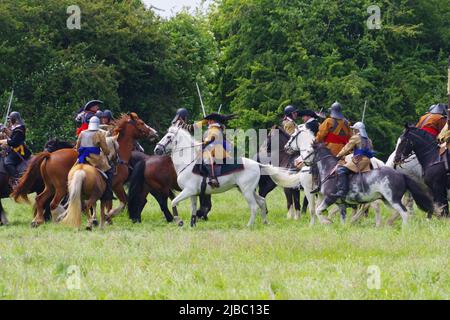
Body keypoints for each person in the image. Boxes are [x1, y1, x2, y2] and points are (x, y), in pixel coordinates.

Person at [331, 122, 375, 199]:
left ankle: (342, 191)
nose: (353, 131)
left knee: (341, 170)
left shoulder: (356, 137)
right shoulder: (368, 139)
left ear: (357, 130)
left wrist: (338, 156)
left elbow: (346, 148)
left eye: (354, 130)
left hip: (359, 160)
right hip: (368, 161)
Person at [75, 116, 113, 200]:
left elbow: (77, 147)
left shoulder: (82, 133)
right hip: (95, 160)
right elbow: (105, 150)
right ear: (98, 124)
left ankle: (67, 194)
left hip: (82, 158)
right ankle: (108, 193)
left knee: (70, 171)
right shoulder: (100, 134)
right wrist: (107, 152)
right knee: (109, 171)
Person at [202, 113, 235, 188]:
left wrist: (206, 140)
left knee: (207, 160)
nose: (208, 122)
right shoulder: (213, 128)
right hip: (213, 147)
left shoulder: (215, 128)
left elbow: (213, 136)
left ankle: (214, 178)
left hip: (217, 149)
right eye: (208, 120)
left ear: (213, 121)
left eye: (210, 120)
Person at [0, 112, 32, 188]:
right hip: (14, 150)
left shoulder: (20, 128)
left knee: (7, 162)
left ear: (15, 119)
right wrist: (4, 129)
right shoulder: (16, 128)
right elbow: (12, 135)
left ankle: (16, 180)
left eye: (10, 119)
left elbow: (14, 142)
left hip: (20, 151)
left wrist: (2, 141)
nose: (9, 121)